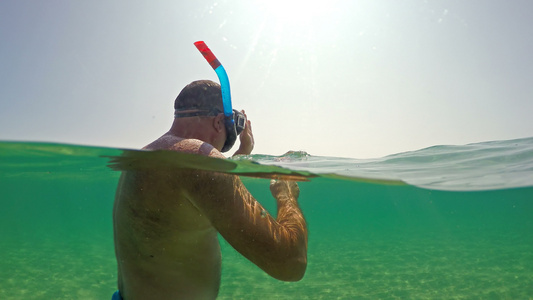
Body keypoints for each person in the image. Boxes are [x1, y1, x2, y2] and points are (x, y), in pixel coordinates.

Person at [112, 80, 308, 299]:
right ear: (218, 123)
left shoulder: (146, 155)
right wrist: (286, 193)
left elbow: (198, 188)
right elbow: (291, 263)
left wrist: (242, 154)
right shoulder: (198, 158)